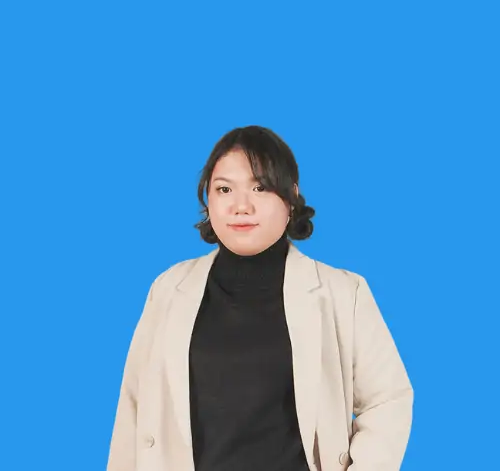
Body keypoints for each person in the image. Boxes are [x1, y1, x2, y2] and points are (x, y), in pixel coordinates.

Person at [106, 125, 414, 471]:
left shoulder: (343, 293)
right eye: (224, 189)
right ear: (208, 200)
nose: (241, 206)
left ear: (291, 198)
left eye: (260, 187)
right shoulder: (168, 288)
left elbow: (388, 400)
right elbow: (133, 406)